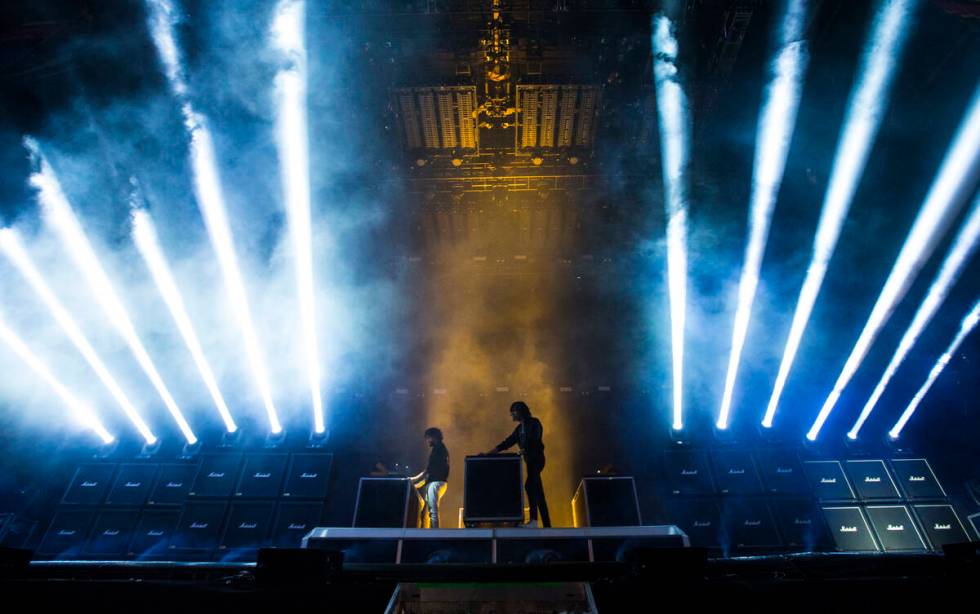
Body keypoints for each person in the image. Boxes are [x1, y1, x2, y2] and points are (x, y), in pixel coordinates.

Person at [485, 401, 551, 528]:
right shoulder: (519, 429)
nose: (512, 415)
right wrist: (489, 453)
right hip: (530, 461)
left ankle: (534, 521)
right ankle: (546, 524)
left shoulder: (534, 423)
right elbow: (507, 443)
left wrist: (524, 450)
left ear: (520, 411)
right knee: (538, 492)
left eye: (513, 412)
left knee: (530, 486)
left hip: (537, 459)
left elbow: (535, 440)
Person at [410, 427, 449, 528]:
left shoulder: (438, 450)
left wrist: (413, 480)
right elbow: (429, 472)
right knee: (428, 511)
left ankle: (434, 534)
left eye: (428, 438)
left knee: (432, 511)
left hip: (436, 483)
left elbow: (428, 471)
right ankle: (428, 532)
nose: (427, 441)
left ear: (433, 437)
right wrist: (418, 483)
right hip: (436, 482)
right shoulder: (440, 449)